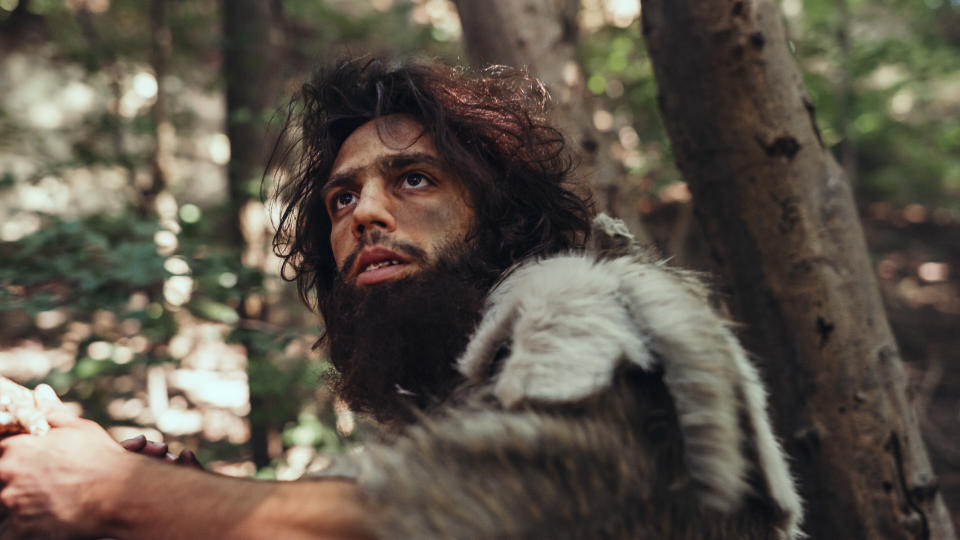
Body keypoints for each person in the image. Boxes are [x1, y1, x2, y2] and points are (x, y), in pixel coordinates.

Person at [0, 58, 802, 539]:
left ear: (502, 214)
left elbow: (495, 513)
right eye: (342, 201)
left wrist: (119, 492)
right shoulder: (465, 396)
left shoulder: (593, 305)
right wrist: (184, 497)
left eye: (413, 178)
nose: (366, 214)